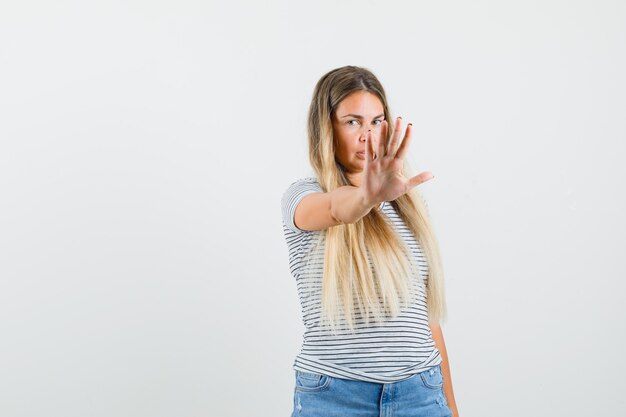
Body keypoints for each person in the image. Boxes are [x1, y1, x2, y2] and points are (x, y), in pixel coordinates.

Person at [281, 65, 459, 417]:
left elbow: (426, 323)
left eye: (377, 121)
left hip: (420, 394)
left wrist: (452, 409)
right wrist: (368, 196)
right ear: (326, 127)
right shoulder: (304, 197)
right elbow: (336, 208)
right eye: (353, 122)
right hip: (335, 398)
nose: (368, 134)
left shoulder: (409, 204)